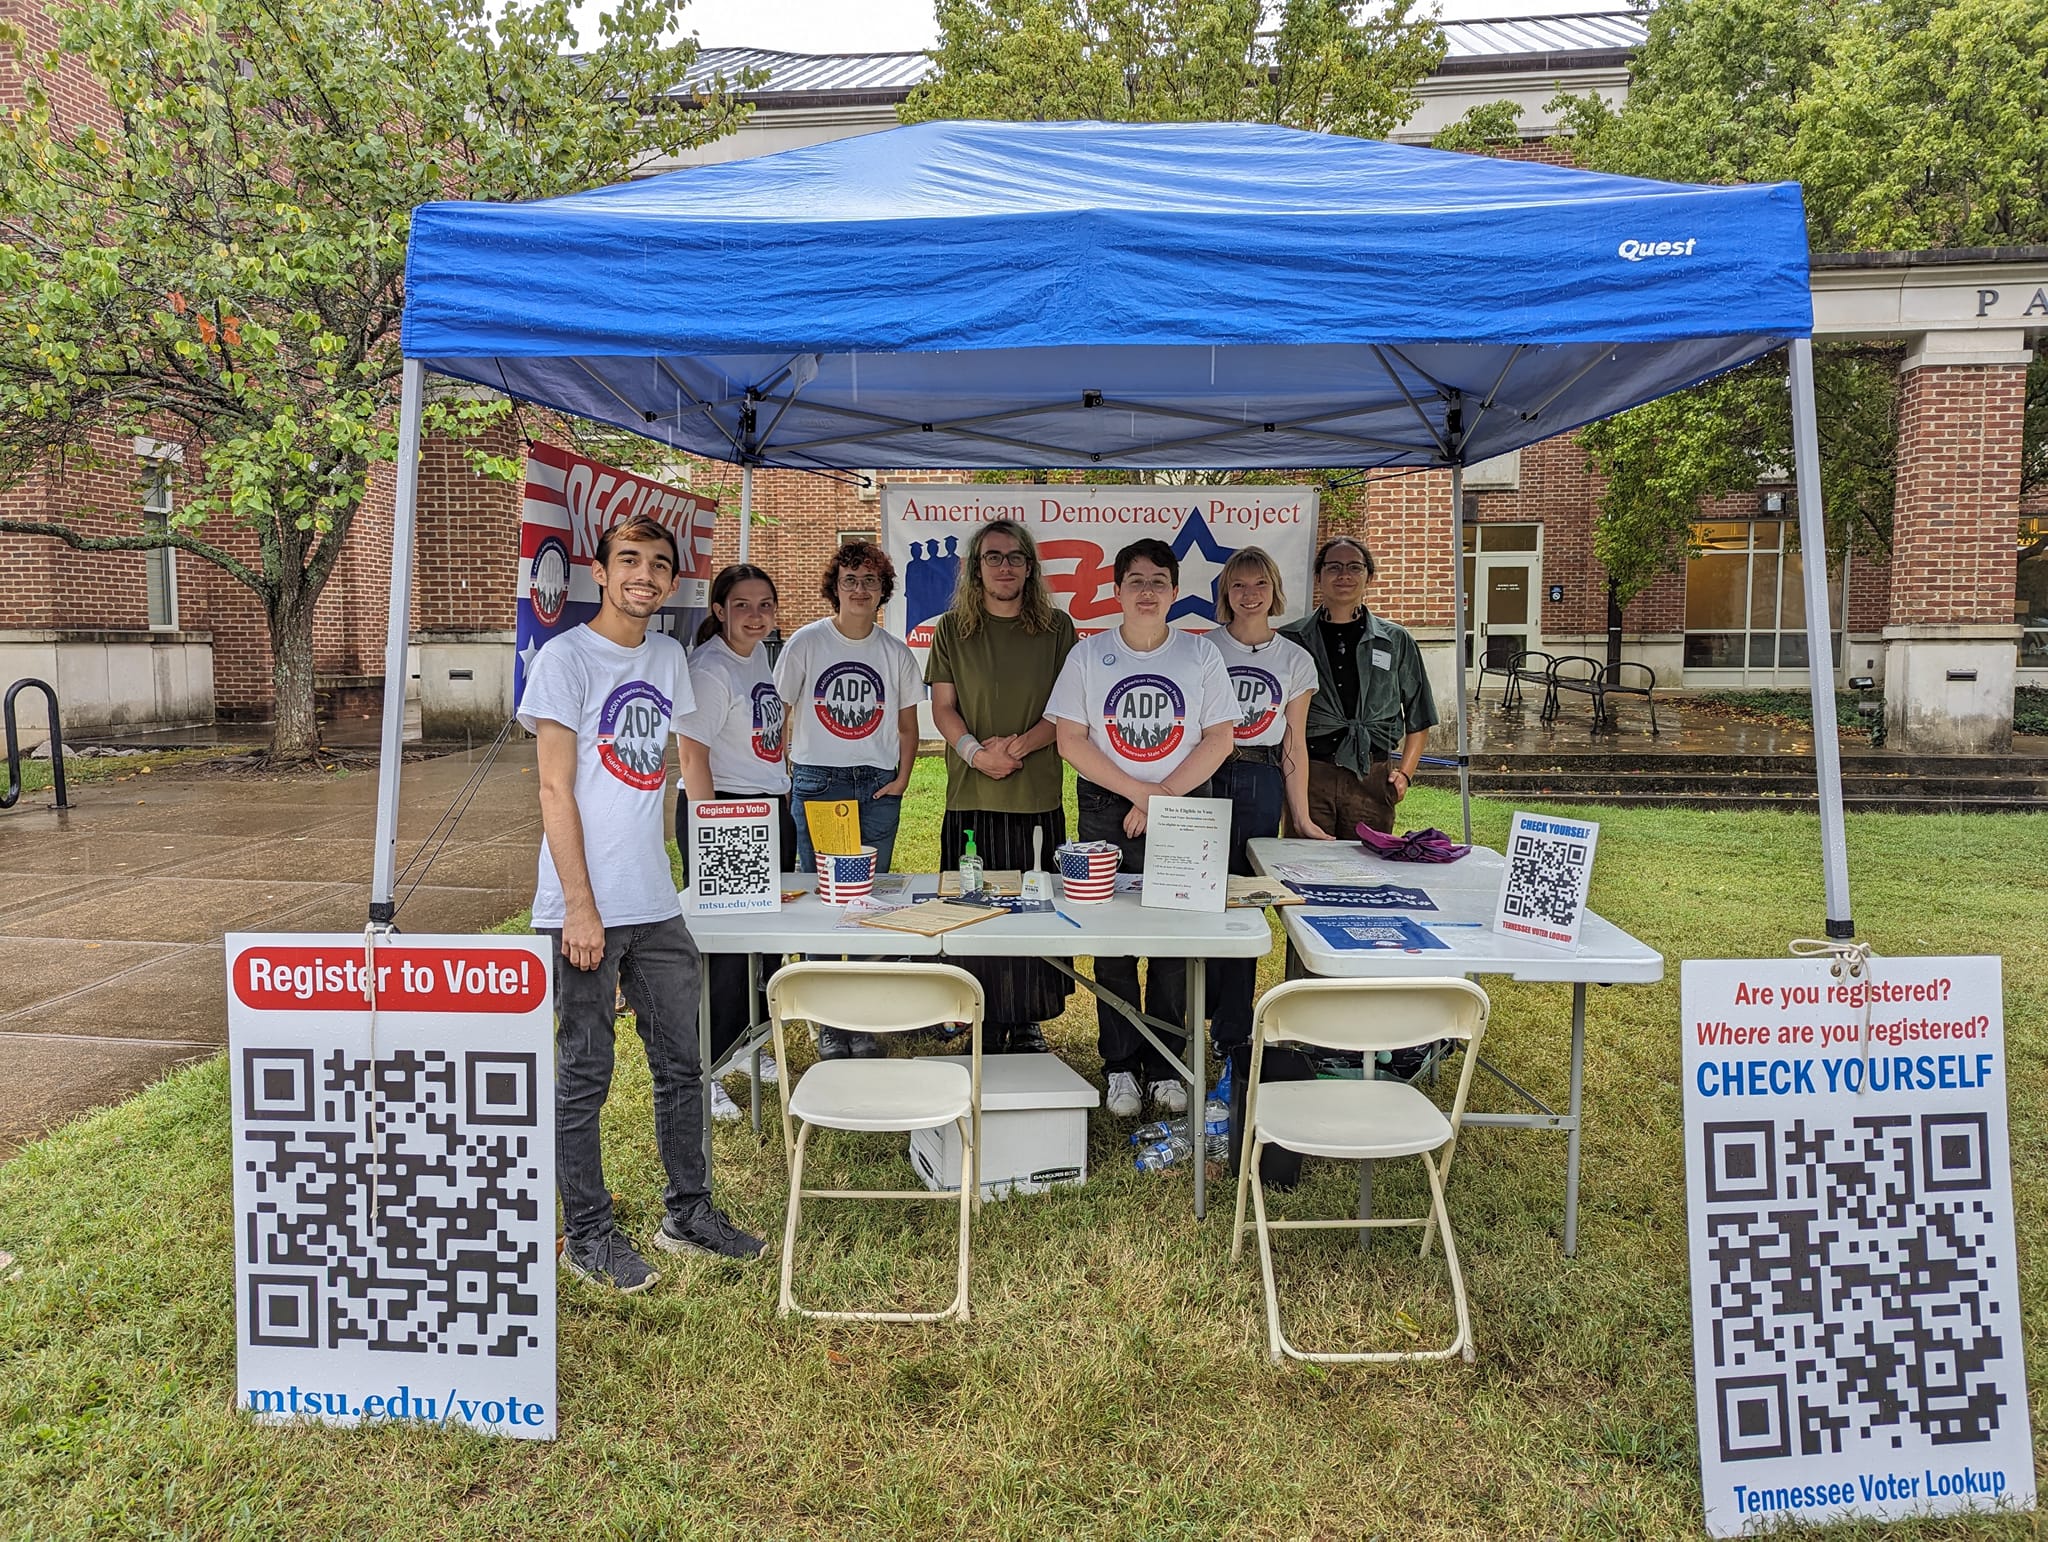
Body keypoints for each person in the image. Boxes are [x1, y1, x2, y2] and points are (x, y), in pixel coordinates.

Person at [519, 514, 765, 1294]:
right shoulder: (565, 659)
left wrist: (727, 850)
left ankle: (688, 1211)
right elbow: (555, 787)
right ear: (600, 571)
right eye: (630, 560)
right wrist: (581, 907)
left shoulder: (666, 656)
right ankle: (587, 1235)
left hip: (657, 901)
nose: (645, 575)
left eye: (660, 565)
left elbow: (688, 755)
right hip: (581, 905)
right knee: (585, 1074)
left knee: (681, 1065)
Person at [1047, 537, 1237, 1118]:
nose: (1147, 591)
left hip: (1185, 807)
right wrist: (1142, 794)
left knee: (1175, 942)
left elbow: (1220, 738)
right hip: (1109, 806)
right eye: (1136, 580)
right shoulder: (1087, 655)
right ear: (1116, 590)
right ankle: (1121, 1066)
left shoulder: (1199, 655)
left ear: (1176, 592)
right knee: (1114, 942)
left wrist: (1166, 797)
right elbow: (1070, 739)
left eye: (1159, 580)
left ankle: (1168, 1065)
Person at [926, 520, 1077, 1055]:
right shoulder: (951, 629)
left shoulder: (1058, 628)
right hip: (971, 796)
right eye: (994, 557)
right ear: (974, 567)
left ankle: (1028, 1020)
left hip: (1035, 794)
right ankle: (980, 1015)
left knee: (1032, 911)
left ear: (1030, 567)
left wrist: (1018, 747)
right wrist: (975, 753)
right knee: (974, 911)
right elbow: (943, 707)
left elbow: (1067, 711)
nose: (1005, 566)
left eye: (1015, 557)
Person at [774, 539, 926, 1058]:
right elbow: (780, 711)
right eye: (850, 580)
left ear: (883, 590)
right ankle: (827, 1020)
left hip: (878, 783)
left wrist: (903, 779)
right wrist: (787, 770)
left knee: (868, 900)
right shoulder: (806, 643)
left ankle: (858, 1016)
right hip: (820, 781)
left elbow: (908, 726)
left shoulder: (895, 652)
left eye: (870, 581)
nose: (860, 589)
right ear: (834, 588)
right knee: (822, 899)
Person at [676, 563, 794, 1122]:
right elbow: (691, 756)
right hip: (725, 810)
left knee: (763, 943)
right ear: (719, 610)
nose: (755, 614)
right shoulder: (710, 668)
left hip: (767, 808)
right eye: (742, 604)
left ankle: (747, 1044)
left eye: (764, 604)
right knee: (722, 955)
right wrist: (713, 833)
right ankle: (704, 1068)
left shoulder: (759, 657)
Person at [1203, 546, 1328, 1061]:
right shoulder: (1202, 649)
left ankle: (1232, 1028)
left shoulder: (1295, 659)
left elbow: (1294, 741)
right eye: (1238, 585)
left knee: (1245, 899)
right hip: (1205, 774)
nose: (1249, 595)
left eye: (1259, 585)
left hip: (1260, 774)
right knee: (1198, 894)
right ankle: (1189, 1014)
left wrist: (1299, 815)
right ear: (1224, 593)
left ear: (1275, 591)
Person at [1281, 537, 1438, 839]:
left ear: (1369, 577)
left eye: (1354, 567)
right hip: (1310, 776)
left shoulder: (1395, 640)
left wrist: (1404, 774)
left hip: (1372, 778)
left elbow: (1420, 714)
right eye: (1334, 567)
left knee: (1368, 873)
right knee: (1303, 869)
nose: (1344, 575)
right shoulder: (1292, 640)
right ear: (1318, 576)